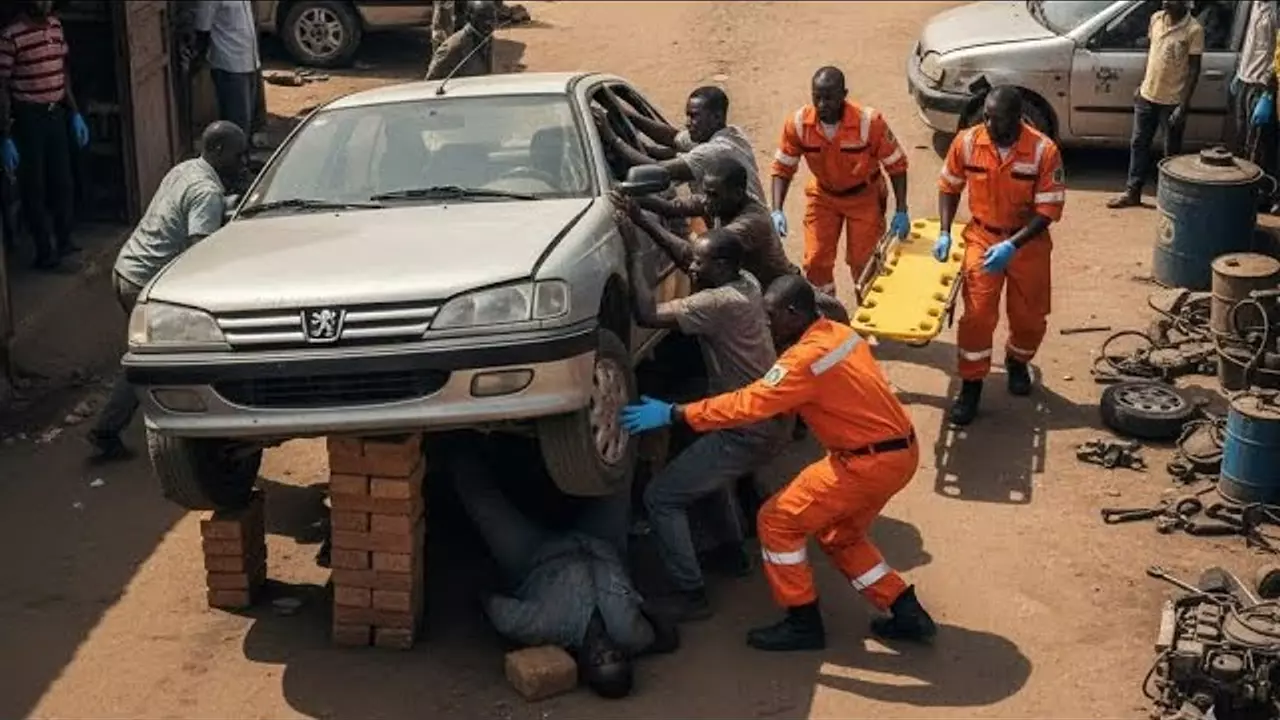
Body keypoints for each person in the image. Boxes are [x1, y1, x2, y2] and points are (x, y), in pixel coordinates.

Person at [619, 275, 935, 652]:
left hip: (863, 463)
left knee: (777, 522)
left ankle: (802, 622)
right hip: (898, 451)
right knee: (840, 534)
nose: (767, 323)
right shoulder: (836, 333)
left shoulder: (803, 361)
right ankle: (906, 611)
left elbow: (748, 404)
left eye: (771, 316)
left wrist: (675, 413)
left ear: (792, 312)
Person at [613, 197, 790, 622]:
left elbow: (646, 312)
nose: (691, 269)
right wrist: (644, 219)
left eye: (700, 265)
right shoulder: (742, 281)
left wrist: (634, 249)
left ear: (723, 267)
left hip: (747, 426)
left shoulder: (718, 304)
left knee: (662, 497)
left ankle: (691, 594)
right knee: (705, 471)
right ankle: (731, 553)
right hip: (760, 417)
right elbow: (688, 252)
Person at [441, 434, 678, 699]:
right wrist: (642, 602)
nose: (604, 652)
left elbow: (502, 616)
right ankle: (617, 411)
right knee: (617, 473)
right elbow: (667, 636)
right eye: (614, 657)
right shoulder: (633, 635)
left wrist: (486, 578)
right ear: (625, 655)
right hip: (601, 544)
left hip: (533, 555)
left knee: (481, 500)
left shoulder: (549, 630)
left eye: (599, 662)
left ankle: (451, 441)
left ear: (584, 667)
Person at [88, 121, 248, 460]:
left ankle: (119, 423)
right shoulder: (207, 193)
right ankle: (109, 428)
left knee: (145, 352)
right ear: (217, 151)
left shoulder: (186, 169)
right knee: (156, 355)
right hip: (147, 281)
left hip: (127, 267)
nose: (243, 162)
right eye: (238, 155)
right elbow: (198, 254)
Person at [935, 86, 1066, 426]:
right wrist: (946, 231)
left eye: (998, 119)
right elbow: (949, 187)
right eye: (987, 116)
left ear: (1018, 118)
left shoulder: (1042, 150)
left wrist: (1012, 246)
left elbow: (1048, 210)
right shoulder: (967, 142)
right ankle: (972, 385)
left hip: (1027, 243)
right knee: (977, 317)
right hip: (981, 237)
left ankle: (1017, 361)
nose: (990, 125)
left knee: (1030, 317)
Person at [625, 157, 850, 323]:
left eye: (713, 195)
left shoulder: (750, 222)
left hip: (779, 297)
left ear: (737, 193)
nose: (707, 201)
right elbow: (673, 207)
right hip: (754, 295)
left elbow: (693, 255)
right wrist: (630, 195)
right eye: (706, 193)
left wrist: (642, 221)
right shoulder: (720, 201)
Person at [770, 66, 911, 296]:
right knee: (815, 260)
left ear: (843, 95)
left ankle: (870, 314)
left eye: (829, 98)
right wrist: (777, 209)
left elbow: (896, 165)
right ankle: (827, 313)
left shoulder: (869, 123)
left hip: (864, 197)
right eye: (817, 97)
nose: (823, 104)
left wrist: (902, 209)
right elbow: (783, 167)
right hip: (823, 195)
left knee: (863, 262)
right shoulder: (797, 125)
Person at [0, 0, 90, 271]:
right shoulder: (11, 35)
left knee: (62, 180)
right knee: (34, 186)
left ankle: (64, 240)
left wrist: (74, 112)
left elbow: (63, 71)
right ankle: (44, 251)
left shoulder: (55, 26)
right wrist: (5, 132)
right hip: (29, 117)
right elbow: (2, 85)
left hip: (56, 113)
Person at [594, 85, 768, 205]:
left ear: (717, 117)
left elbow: (658, 170)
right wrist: (626, 115)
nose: (687, 123)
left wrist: (612, 139)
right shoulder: (732, 134)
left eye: (694, 116)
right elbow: (673, 138)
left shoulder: (713, 152)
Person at [1107, 1, 1203, 209]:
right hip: (1147, 95)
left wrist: (1183, 106)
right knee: (1139, 144)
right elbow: (1153, 55)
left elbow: (1194, 70)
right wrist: (1142, 84)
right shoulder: (1156, 19)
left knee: (1170, 154)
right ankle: (1133, 192)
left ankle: (1170, 200)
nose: (1166, 2)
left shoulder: (1194, 30)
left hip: (1172, 101)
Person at [193, 1, 261, 138]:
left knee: (247, 120)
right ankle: (234, 157)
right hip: (229, 64)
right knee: (236, 122)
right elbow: (202, 28)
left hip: (250, 60)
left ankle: (243, 155)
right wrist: (199, 59)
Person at [1234, 1, 1278, 210]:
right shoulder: (1252, 4)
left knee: (1259, 144)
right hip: (1244, 78)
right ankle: (1248, 190)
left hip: (1261, 84)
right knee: (1244, 140)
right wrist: (1239, 72)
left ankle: (1261, 195)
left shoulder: (1276, 9)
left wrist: (1269, 92)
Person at [425, 0, 496, 81]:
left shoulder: (487, 39)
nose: (489, 22)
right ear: (469, 17)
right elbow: (431, 83)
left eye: (492, 17)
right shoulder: (453, 48)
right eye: (482, 17)